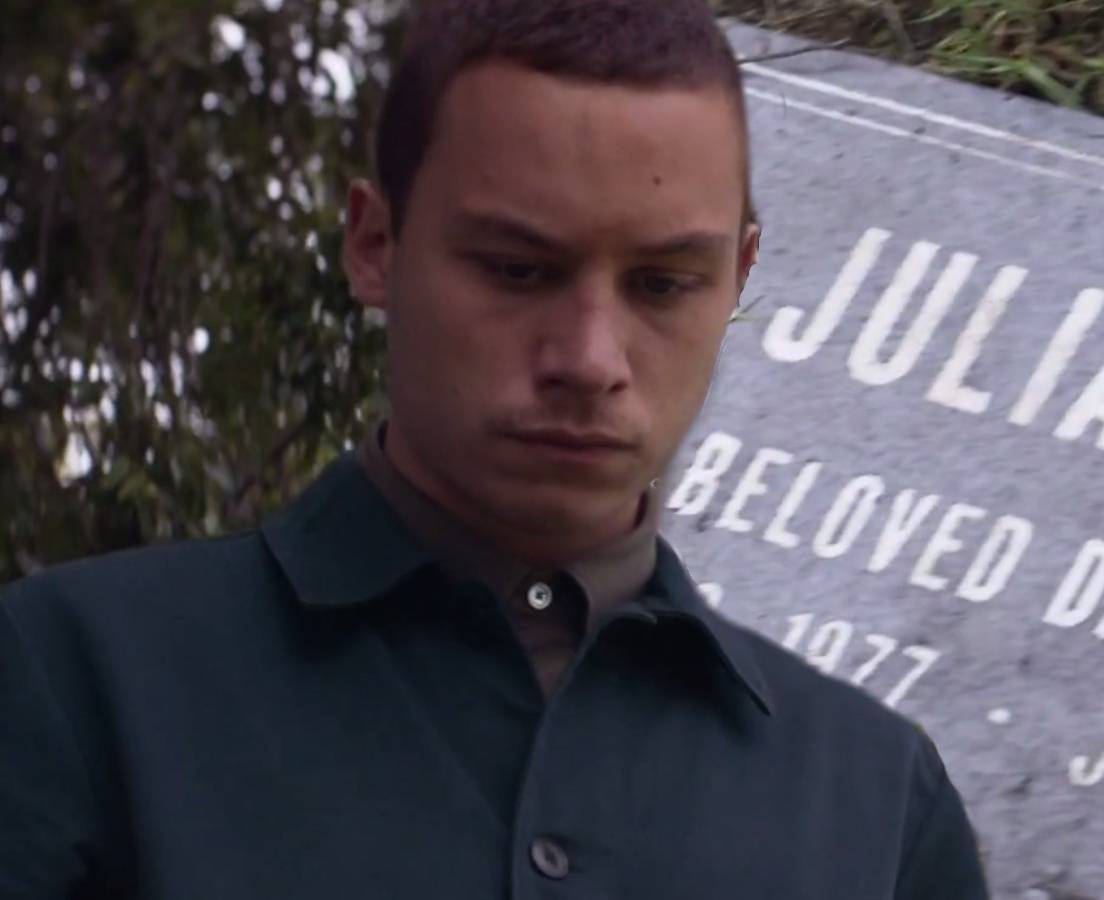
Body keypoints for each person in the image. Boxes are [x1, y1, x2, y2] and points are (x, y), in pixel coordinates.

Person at [0, 0, 991, 897]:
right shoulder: (69, 685)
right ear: (375, 246)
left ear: (737, 277)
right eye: (519, 269)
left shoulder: (877, 808)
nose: (590, 359)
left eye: (661, 285)